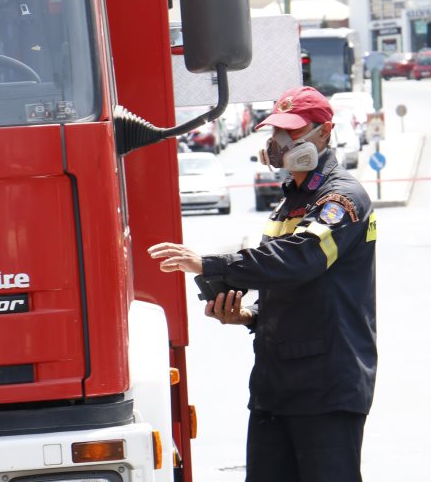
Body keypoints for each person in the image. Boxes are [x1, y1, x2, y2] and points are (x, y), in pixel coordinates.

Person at [148, 86, 377, 482]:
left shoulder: (341, 199)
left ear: (324, 133)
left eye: (292, 131)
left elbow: (299, 260)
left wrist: (208, 262)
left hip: (325, 388)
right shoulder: (291, 201)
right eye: (276, 131)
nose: (279, 142)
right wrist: (249, 316)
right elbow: (293, 291)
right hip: (276, 386)